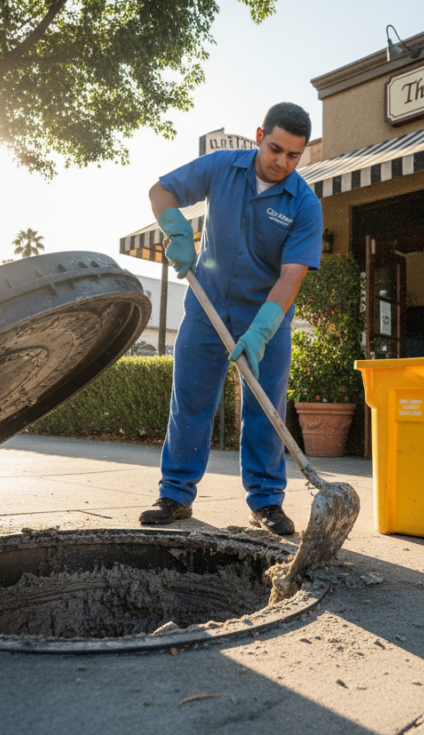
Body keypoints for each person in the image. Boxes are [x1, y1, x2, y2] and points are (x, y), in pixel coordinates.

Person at [139, 103, 323, 536]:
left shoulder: (304, 205)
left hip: (266, 318)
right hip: (207, 307)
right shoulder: (223, 167)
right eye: (275, 149)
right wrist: (178, 231)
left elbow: (292, 276)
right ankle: (175, 494)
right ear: (260, 135)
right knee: (192, 401)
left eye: (293, 156)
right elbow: (159, 191)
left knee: (264, 407)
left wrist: (261, 331)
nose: (282, 162)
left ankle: (266, 502)